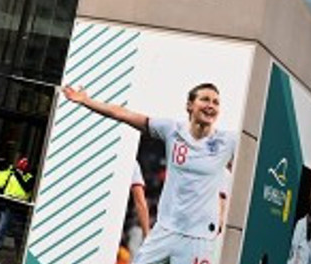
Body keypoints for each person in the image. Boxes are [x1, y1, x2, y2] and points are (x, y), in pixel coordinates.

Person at [62, 82, 237, 264]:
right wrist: (86, 101)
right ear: (190, 105)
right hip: (164, 230)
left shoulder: (228, 141)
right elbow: (123, 114)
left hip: (198, 238)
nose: (211, 105)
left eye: (216, 102)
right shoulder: (172, 130)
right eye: (205, 99)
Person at [0, 157, 34, 257]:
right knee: (2, 228)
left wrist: (18, 175)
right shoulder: (12, 174)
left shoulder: (30, 177)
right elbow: (6, 187)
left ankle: (19, 255)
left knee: (18, 234)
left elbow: (26, 188)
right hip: (9, 205)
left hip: (21, 207)